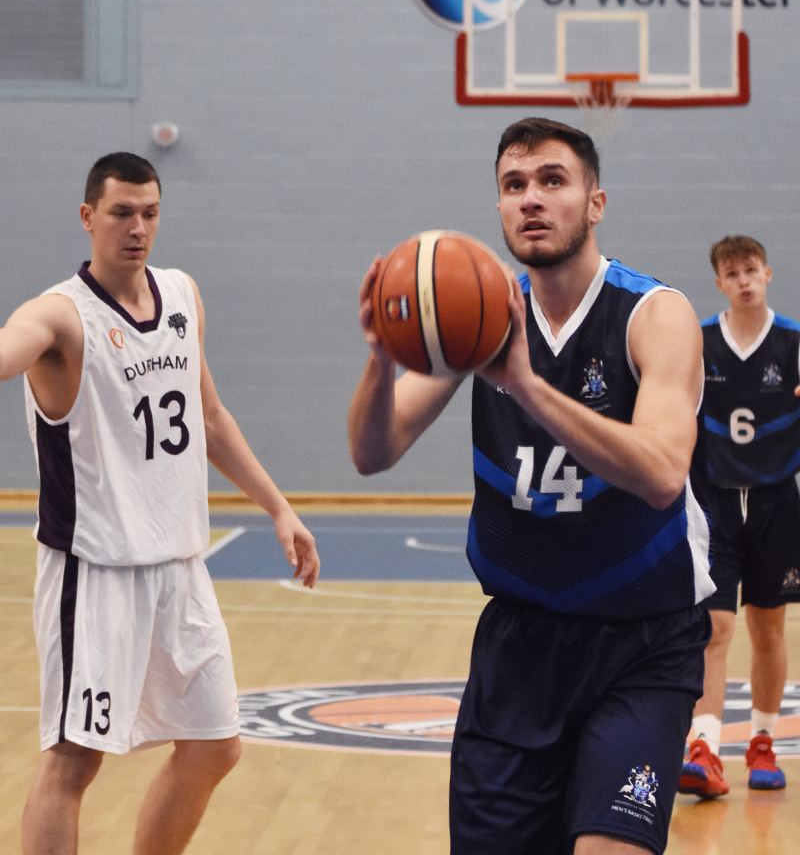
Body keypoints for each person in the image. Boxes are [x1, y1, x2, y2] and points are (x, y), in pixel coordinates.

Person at [349, 117, 715, 855]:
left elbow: (661, 474)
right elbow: (373, 453)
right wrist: (382, 361)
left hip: (643, 643)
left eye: (553, 181)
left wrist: (523, 385)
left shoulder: (655, 315)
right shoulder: (479, 313)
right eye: (514, 186)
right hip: (520, 647)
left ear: (596, 202)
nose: (532, 200)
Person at [2, 152, 320, 855]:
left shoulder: (182, 294)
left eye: (149, 213)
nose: (137, 228)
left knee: (215, 748)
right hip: (96, 573)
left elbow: (209, 420)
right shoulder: (59, 316)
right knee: (73, 760)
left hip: (180, 567)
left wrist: (278, 506)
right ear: (88, 218)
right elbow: (7, 348)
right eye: (121, 213)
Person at [678, 235, 800, 799]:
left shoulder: (795, 344)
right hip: (715, 501)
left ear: (768, 273)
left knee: (767, 624)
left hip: (777, 501)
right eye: (732, 272)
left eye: (752, 269)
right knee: (714, 628)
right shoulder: (698, 343)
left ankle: (763, 742)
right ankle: (704, 747)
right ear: (720, 283)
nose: (744, 279)